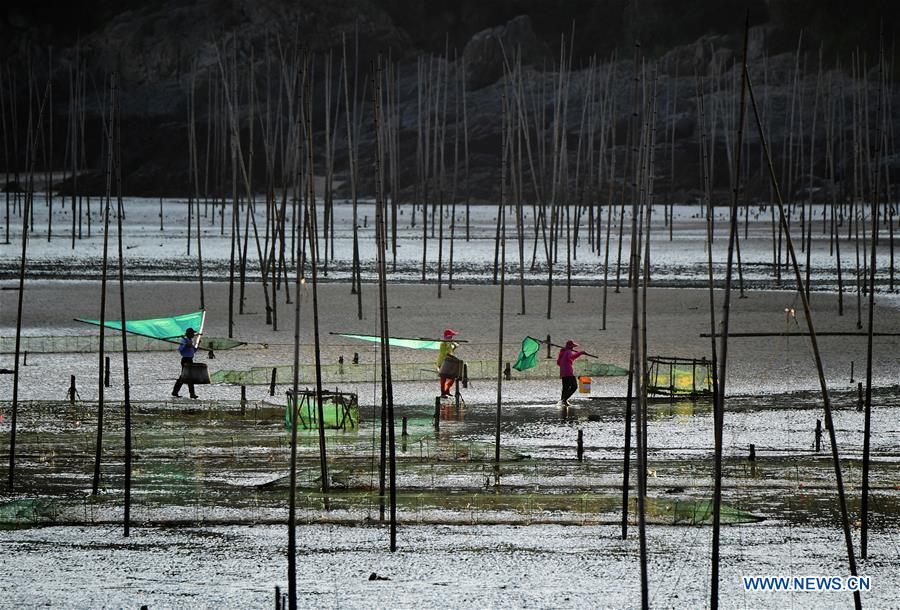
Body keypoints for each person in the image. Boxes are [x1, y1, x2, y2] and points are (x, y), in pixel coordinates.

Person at [556, 340, 585, 407]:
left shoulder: (563, 352)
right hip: (568, 372)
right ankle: (564, 400)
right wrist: (580, 353)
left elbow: (558, 363)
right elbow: (571, 357)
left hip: (563, 372)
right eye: (572, 346)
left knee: (565, 388)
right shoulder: (568, 352)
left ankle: (563, 401)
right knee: (574, 386)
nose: (573, 348)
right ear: (570, 347)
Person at [172, 327, 199, 399]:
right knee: (185, 377)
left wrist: (197, 345)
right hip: (185, 360)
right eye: (192, 333)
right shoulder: (184, 341)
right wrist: (186, 345)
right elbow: (180, 350)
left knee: (187, 377)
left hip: (190, 360)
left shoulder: (190, 341)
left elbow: (193, 351)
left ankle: (177, 392)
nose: (193, 334)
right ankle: (190, 394)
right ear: (189, 334)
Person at [436, 328, 459, 397]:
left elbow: (452, 350)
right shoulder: (443, 344)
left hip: (449, 362)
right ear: (447, 337)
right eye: (450, 336)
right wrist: (449, 345)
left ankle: (447, 390)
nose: (452, 338)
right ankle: (443, 393)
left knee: (452, 378)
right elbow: (445, 353)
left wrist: (454, 345)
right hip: (442, 362)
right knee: (443, 379)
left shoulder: (449, 343)